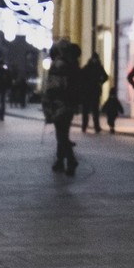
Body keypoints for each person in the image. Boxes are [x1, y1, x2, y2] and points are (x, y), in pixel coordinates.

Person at [44, 41, 81, 175]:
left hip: (59, 103)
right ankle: (60, 161)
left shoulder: (59, 65)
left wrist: (48, 102)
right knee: (63, 132)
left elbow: (53, 86)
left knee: (61, 134)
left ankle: (70, 160)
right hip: (69, 103)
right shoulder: (73, 64)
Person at [79, 52, 107, 133]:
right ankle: (89, 126)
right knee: (90, 110)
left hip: (91, 91)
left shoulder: (91, 67)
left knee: (91, 110)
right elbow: (105, 77)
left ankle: (91, 126)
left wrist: (100, 82)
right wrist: (100, 82)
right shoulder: (94, 67)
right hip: (91, 91)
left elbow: (105, 76)